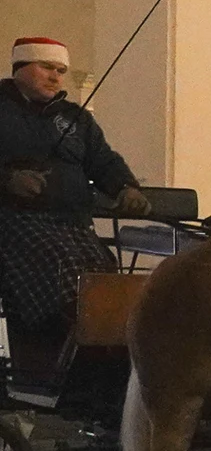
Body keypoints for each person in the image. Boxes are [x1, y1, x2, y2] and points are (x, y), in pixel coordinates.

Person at [0, 37, 148, 338]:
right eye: (46, 67)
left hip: (73, 224)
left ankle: (100, 348)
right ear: (20, 68)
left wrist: (125, 188)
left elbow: (103, 160)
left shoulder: (75, 118)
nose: (56, 77)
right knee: (60, 263)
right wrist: (7, 180)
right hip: (14, 222)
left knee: (101, 270)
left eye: (61, 70)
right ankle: (64, 342)